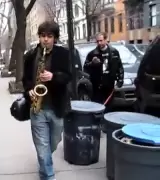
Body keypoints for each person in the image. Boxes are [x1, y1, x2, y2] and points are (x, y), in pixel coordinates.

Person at [22, 20, 72, 180]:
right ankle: (49, 175)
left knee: (54, 141)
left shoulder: (63, 54)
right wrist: (29, 90)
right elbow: (25, 79)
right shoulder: (30, 55)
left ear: (55, 38)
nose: (45, 39)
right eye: (43, 36)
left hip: (56, 106)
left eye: (49, 36)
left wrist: (53, 76)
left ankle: (44, 162)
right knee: (42, 146)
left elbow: (69, 77)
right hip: (38, 108)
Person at [84, 32, 124, 107]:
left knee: (109, 106)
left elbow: (119, 66)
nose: (99, 43)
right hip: (97, 85)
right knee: (97, 105)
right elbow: (85, 68)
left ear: (106, 40)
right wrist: (92, 63)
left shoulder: (113, 52)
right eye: (97, 41)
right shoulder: (92, 54)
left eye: (101, 40)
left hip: (109, 84)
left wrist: (120, 80)